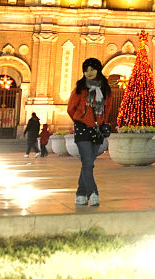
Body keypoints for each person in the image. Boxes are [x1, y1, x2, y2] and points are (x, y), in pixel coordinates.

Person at [67, 57, 118, 206]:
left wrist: (102, 123)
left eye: (92, 69)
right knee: (88, 163)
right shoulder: (80, 89)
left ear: (98, 70)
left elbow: (107, 109)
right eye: (86, 70)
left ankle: (80, 194)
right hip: (82, 128)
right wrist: (81, 119)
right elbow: (70, 109)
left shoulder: (106, 90)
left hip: (97, 130)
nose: (89, 72)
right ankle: (93, 193)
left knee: (88, 163)